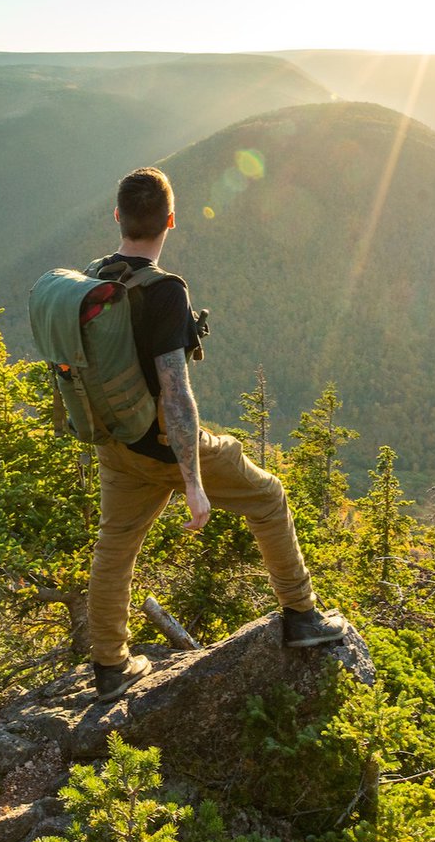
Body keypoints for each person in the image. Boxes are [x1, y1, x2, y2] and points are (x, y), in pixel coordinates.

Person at [87, 166, 346, 701]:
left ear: (118, 217)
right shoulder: (164, 292)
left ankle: (111, 667)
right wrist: (193, 481)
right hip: (163, 445)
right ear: (171, 221)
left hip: (115, 443)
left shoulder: (93, 279)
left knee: (115, 545)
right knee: (269, 498)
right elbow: (176, 394)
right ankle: (301, 615)